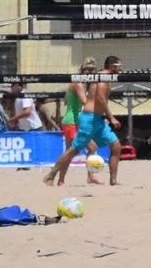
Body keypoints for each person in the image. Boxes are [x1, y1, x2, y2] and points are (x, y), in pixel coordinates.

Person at [45, 57, 122, 186]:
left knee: (115, 146)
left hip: (96, 119)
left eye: (92, 69)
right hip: (86, 119)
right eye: (119, 66)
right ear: (112, 66)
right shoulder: (98, 79)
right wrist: (111, 117)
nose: (121, 69)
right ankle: (52, 174)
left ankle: (111, 180)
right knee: (73, 150)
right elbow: (100, 98)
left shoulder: (96, 79)